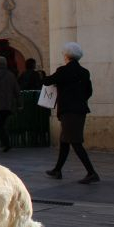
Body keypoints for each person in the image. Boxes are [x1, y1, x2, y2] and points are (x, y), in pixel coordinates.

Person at [42, 42, 99, 184]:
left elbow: (48, 81)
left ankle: (91, 173)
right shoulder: (84, 72)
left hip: (69, 111)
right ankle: (57, 170)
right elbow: (89, 91)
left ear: (66, 55)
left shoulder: (63, 70)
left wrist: (41, 75)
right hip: (80, 110)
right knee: (65, 141)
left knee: (75, 141)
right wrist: (80, 100)